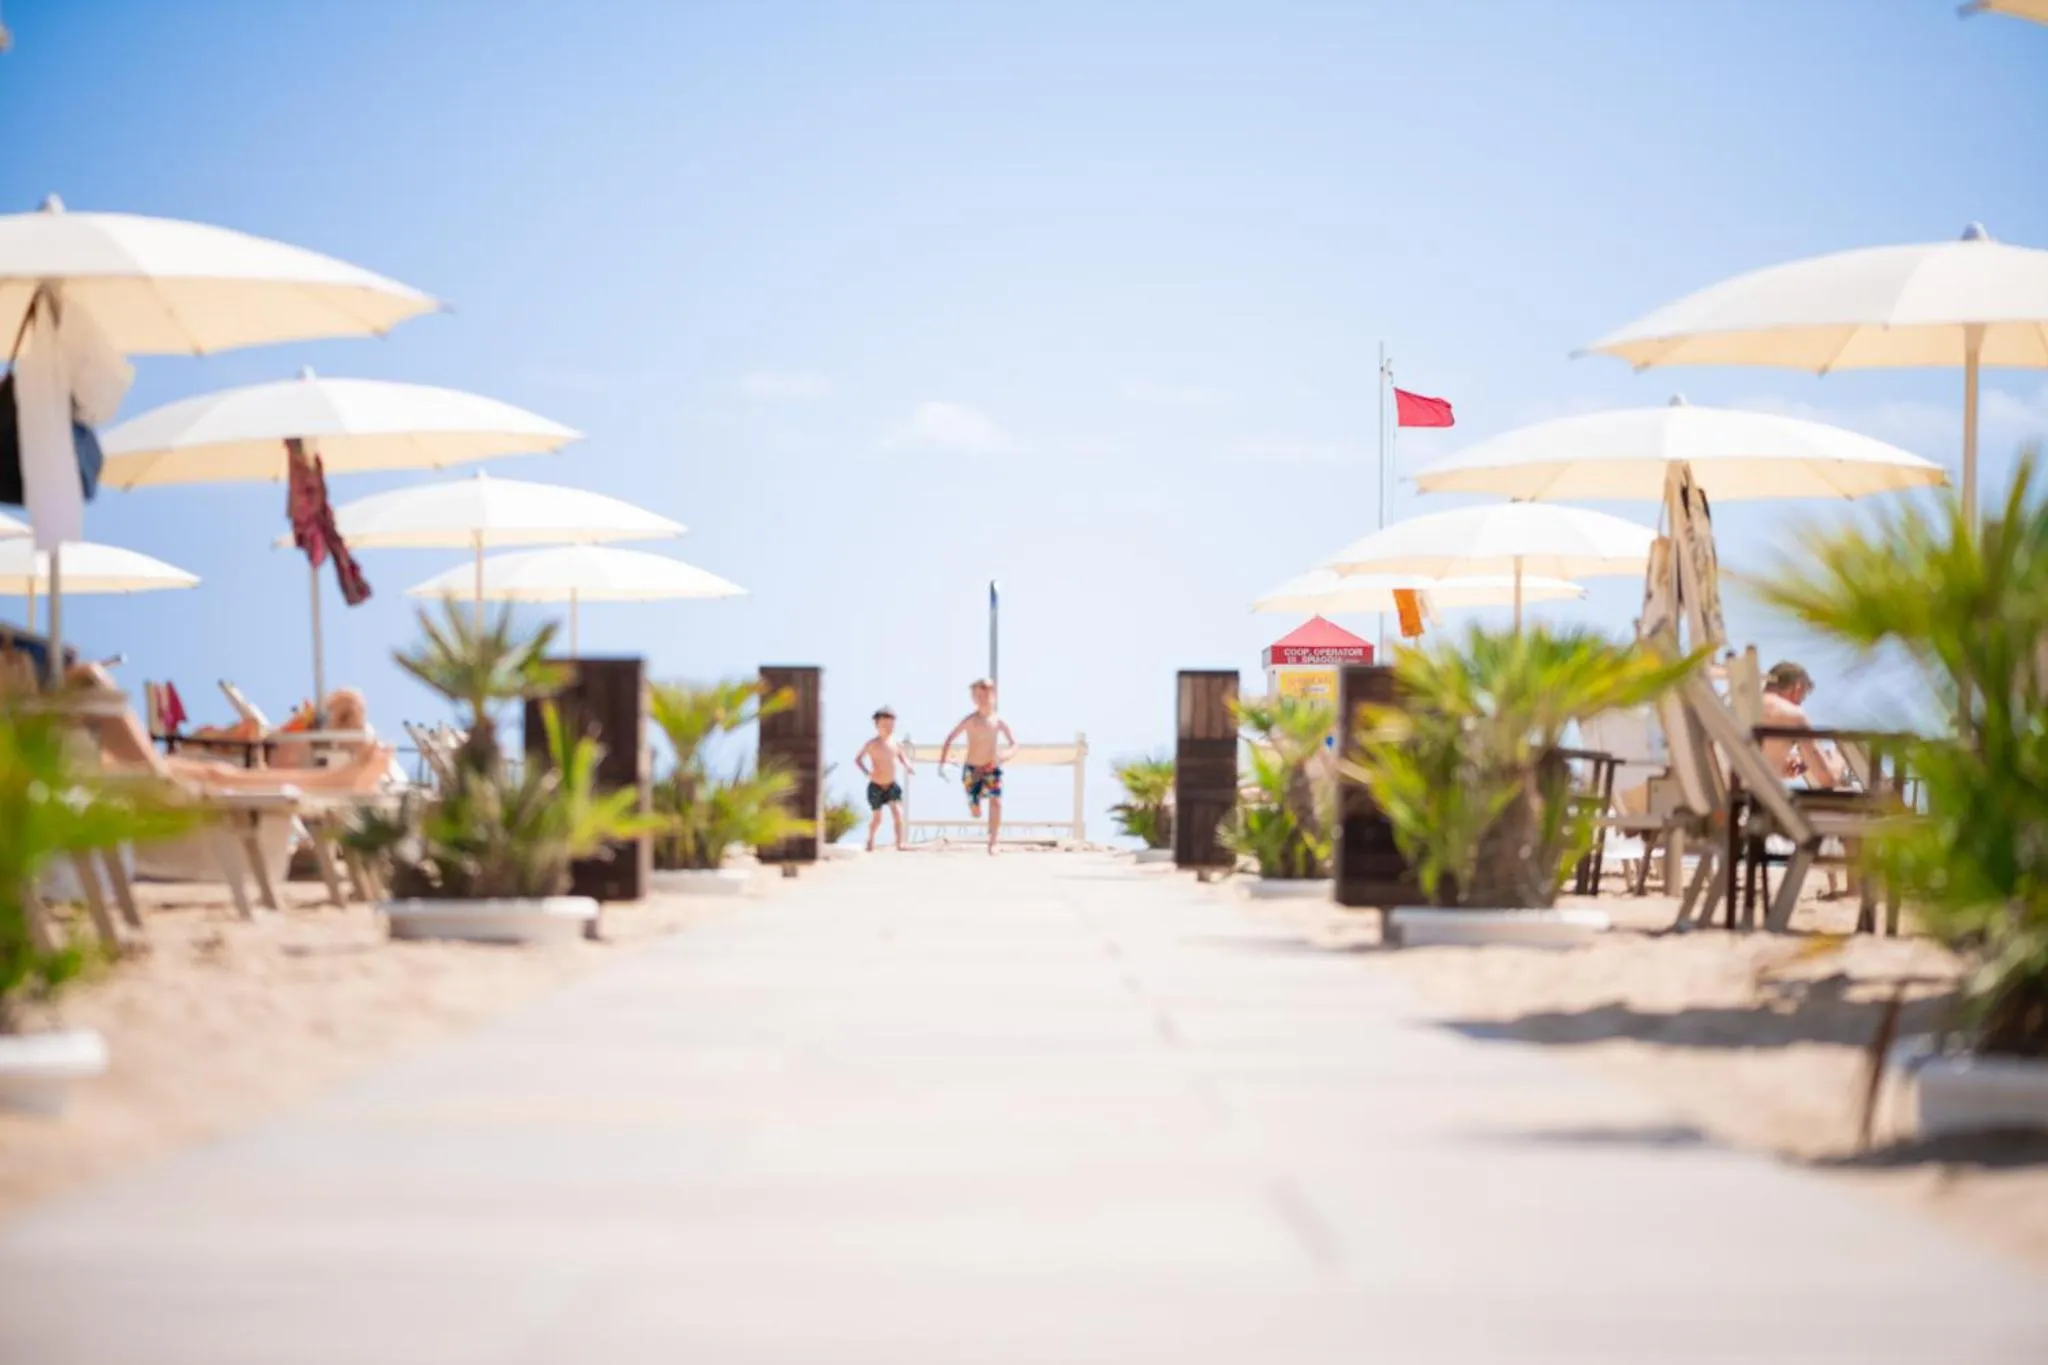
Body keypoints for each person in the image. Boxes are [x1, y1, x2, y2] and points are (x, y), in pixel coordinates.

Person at [937, 678, 1018, 854]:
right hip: (972, 769)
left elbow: (1015, 744)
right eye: (978, 696)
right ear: (973, 699)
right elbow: (950, 739)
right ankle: (974, 803)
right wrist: (942, 763)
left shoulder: (998, 721)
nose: (982, 698)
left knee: (996, 801)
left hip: (991, 768)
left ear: (994, 696)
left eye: (986, 694)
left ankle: (993, 841)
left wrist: (1005, 755)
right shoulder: (970, 720)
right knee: (975, 808)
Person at [1759, 660, 1844, 790]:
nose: (1799, 704)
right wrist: (1839, 760)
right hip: (1757, 800)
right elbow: (1828, 779)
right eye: (1802, 698)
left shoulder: (1735, 705)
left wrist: (1782, 767)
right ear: (1797, 687)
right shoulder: (1793, 715)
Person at [855, 706, 913, 852]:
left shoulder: (896, 743)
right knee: (877, 818)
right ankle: (870, 840)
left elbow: (901, 756)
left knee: (898, 814)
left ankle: (899, 843)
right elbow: (858, 759)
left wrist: (908, 765)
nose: (889, 727)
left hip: (891, 784)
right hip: (876, 785)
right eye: (885, 725)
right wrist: (867, 772)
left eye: (891, 724)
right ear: (877, 725)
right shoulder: (872, 744)